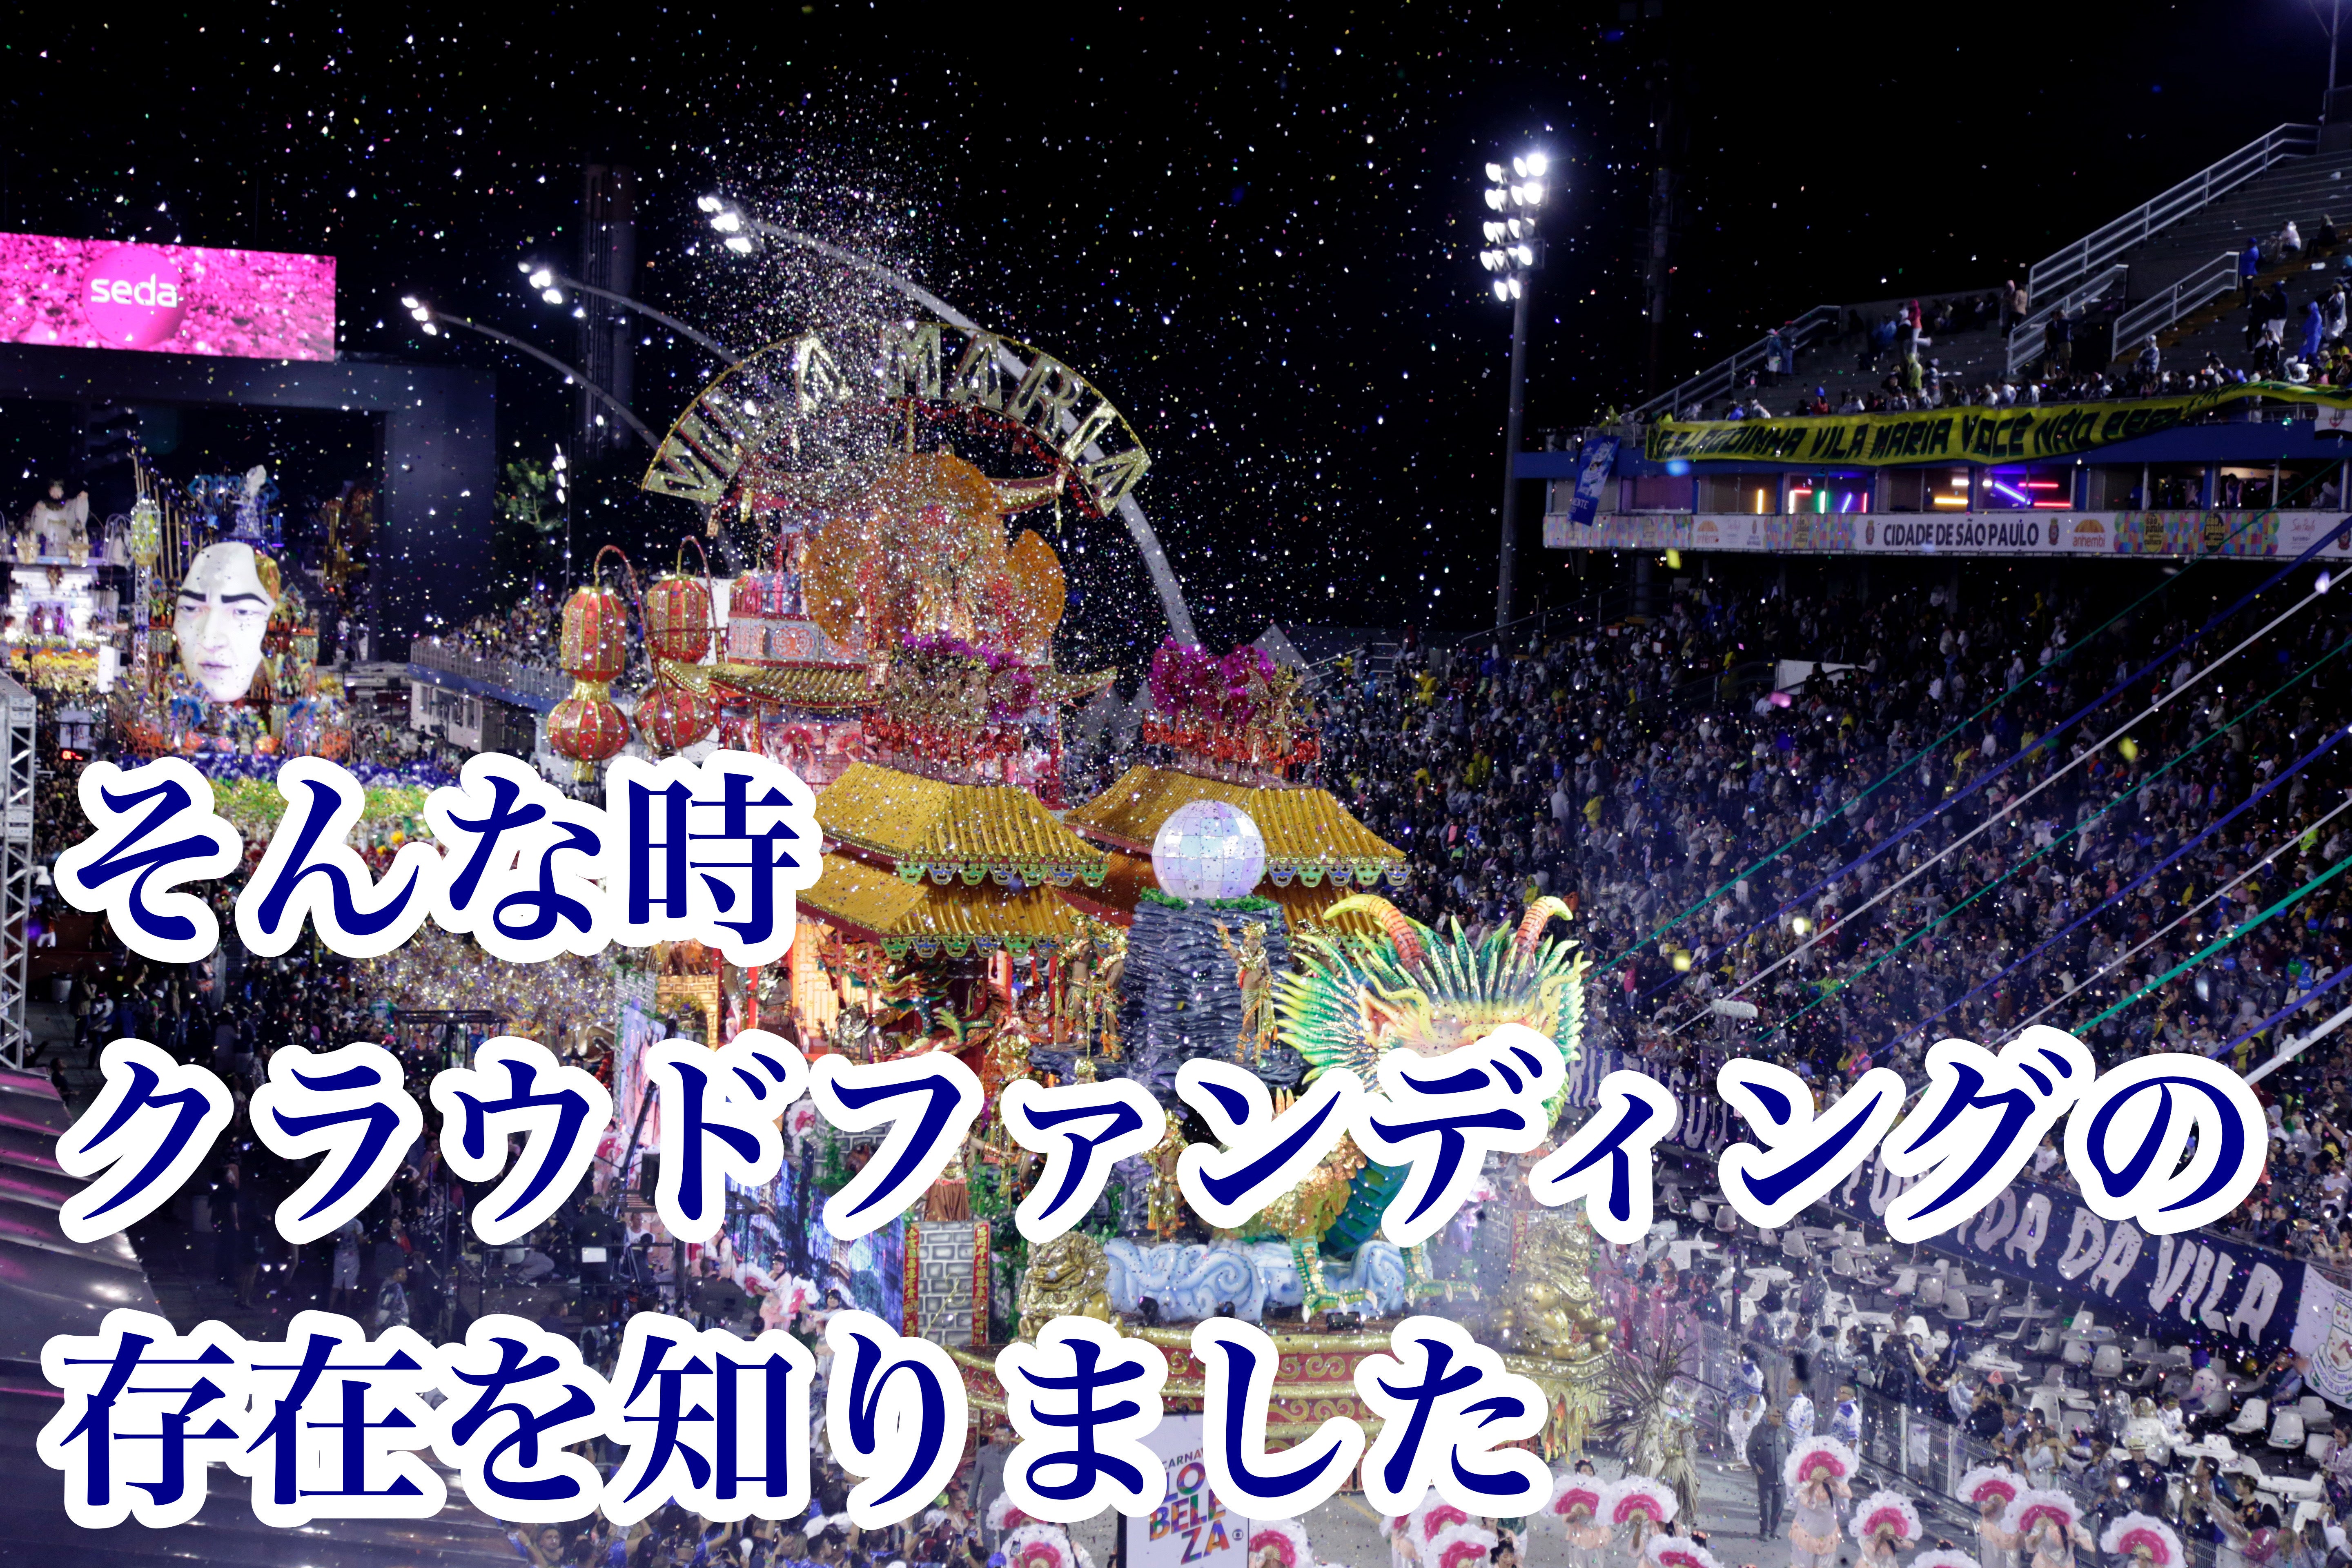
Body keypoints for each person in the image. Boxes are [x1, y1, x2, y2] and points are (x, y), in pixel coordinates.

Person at [1748, 1408, 1792, 1537]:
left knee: (1779, 1504)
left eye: (1781, 1417)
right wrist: (1755, 1465)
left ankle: (1774, 1529)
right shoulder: (1759, 1430)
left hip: (1782, 1475)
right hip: (1766, 1474)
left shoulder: (1785, 1430)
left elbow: (1792, 1449)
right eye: (1777, 1417)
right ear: (1769, 1417)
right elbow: (1750, 1451)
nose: (1780, 1419)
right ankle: (1765, 1531)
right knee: (1766, 1504)